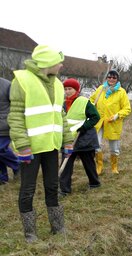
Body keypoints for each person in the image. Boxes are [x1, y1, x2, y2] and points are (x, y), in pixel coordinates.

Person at [8, 45, 74, 243]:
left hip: (51, 147)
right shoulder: (21, 81)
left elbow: (60, 114)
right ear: (47, 62)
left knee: (52, 187)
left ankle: (58, 227)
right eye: (58, 61)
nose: (62, 65)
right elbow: (16, 116)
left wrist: (68, 140)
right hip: (30, 148)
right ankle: (30, 233)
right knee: (27, 190)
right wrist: (22, 146)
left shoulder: (59, 85)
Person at [59, 78, 101, 196]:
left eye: (70, 89)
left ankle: (94, 183)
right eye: (65, 89)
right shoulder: (63, 104)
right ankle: (64, 190)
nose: (67, 91)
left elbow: (95, 117)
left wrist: (84, 126)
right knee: (66, 163)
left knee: (88, 163)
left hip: (85, 138)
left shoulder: (84, 101)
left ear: (76, 90)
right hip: (69, 139)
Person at [89, 70, 131, 174]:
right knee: (96, 144)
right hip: (99, 122)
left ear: (117, 80)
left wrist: (117, 116)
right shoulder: (100, 89)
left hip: (113, 123)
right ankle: (99, 166)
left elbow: (127, 108)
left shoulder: (121, 92)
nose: (111, 79)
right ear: (107, 78)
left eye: (114, 78)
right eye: (109, 77)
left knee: (114, 147)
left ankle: (114, 167)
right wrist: (92, 109)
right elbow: (91, 100)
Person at [0, 77, 19, 185]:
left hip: (4, 125)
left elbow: (16, 105)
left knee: (1, 149)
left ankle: (17, 165)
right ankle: (2, 177)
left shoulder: (7, 85)